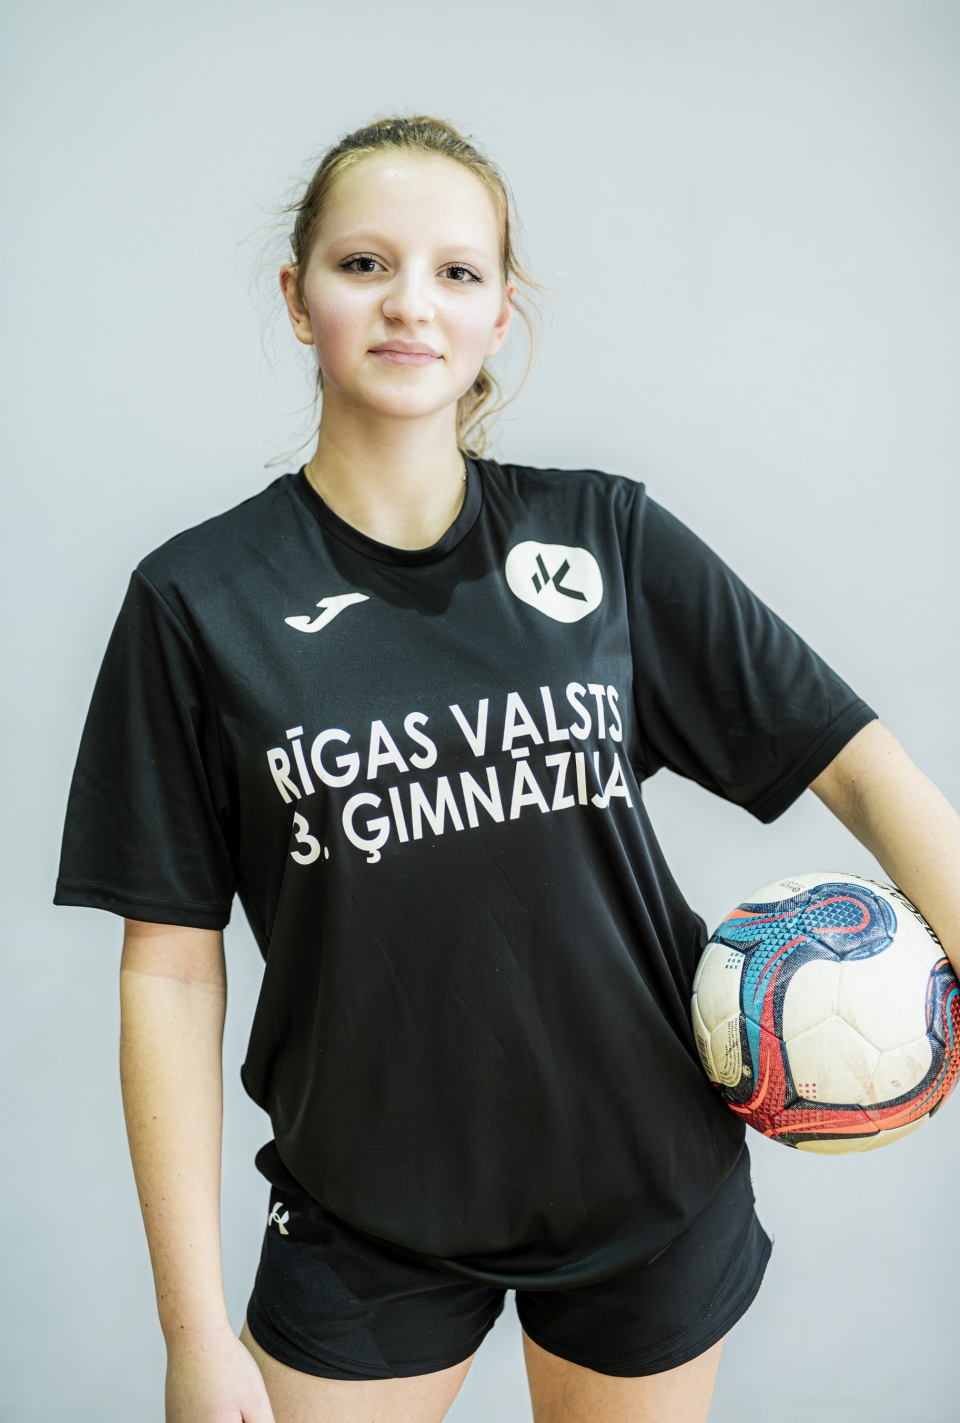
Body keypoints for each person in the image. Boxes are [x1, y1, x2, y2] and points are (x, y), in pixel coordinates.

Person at [54, 115, 960, 1423]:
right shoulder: (198, 602)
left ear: (499, 316)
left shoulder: (604, 536)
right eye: (364, 264)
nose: (410, 303)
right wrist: (193, 1332)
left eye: (456, 272)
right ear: (298, 298)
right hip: (364, 1204)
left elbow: (862, 770)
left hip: (646, 1177)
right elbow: (170, 969)